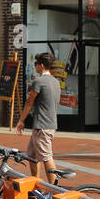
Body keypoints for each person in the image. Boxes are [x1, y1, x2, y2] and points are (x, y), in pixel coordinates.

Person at [14, 52, 62, 183]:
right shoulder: (56, 82)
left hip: (42, 126)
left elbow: (29, 102)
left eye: (36, 64)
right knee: (32, 155)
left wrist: (21, 120)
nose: (35, 66)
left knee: (46, 157)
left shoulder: (39, 81)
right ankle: (36, 185)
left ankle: (54, 189)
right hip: (49, 124)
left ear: (41, 65)